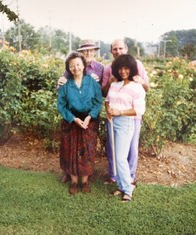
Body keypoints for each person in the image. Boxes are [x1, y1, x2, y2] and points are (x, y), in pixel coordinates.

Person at [102, 39, 149, 185]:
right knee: (112, 146)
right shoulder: (108, 68)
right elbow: (104, 93)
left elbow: (146, 88)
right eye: (115, 49)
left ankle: (130, 176)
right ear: (111, 51)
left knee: (132, 146)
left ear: (126, 49)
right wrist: (109, 82)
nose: (118, 51)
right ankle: (114, 175)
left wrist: (142, 82)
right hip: (114, 115)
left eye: (121, 48)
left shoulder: (137, 64)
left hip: (132, 114)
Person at [58, 39, 104, 183]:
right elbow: (61, 102)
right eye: (72, 66)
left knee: (87, 150)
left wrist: (90, 117)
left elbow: (98, 98)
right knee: (69, 150)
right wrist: (73, 118)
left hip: (89, 118)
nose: (76, 68)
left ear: (83, 65)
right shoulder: (67, 78)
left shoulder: (98, 71)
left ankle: (85, 180)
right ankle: (72, 177)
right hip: (72, 119)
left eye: (78, 65)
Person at [105, 54, 146, 202]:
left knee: (121, 158)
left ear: (132, 69)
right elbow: (108, 100)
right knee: (116, 157)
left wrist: (120, 112)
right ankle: (122, 186)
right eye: (120, 68)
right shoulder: (115, 84)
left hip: (126, 123)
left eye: (126, 68)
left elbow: (139, 110)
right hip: (112, 122)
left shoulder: (137, 88)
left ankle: (128, 189)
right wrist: (108, 111)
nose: (123, 71)